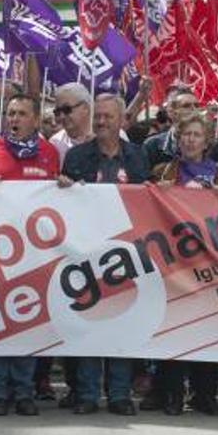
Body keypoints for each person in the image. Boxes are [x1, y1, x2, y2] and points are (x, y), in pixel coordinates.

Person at [0, 94, 62, 416]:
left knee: (28, 325)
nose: (14, 119)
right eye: (10, 114)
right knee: (0, 324)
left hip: (34, 255)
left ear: (36, 120)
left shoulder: (48, 153)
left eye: (21, 114)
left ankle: (24, 392)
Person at [62, 94, 148, 416]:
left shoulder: (137, 157)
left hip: (126, 254)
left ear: (122, 120)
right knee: (89, 324)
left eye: (107, 117)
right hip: (86, 253)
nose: (100, 122)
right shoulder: (76, 156)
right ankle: (86, 394)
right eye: (97, 117)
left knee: (123, 325)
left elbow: (147, 201)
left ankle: (119, 395)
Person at [154, 111, 218, 416]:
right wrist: (158, 191)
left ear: (206, 140)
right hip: (175, 260)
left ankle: (204, 393)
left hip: (210, 259)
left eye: (197, 135)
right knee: (175, 328)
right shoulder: (164, 170)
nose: (191, 139)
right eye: (186, 134)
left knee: (207, 328)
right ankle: (171, 394)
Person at [48, 83, 94, 163]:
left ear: (85, 108)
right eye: (58, 112)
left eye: (67, 109)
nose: (62, 116)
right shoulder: (55, 143)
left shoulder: (111, 138)